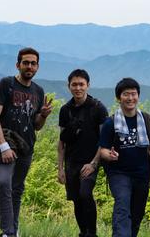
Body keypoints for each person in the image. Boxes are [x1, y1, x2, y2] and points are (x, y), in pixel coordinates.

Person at [0, 47, 53, 237]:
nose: (29, 66)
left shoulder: (38, 91)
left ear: (38, 67)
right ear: (18, 65)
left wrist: (43, 115)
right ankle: (7, 232)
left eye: (33, 63)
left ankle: (13, 231)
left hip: (27, 147)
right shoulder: (6, 84)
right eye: (26, 63)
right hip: (5, 143)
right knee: (4, 184)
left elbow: (37, 126)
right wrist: (3, 146)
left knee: (16, 189)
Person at [99, 77, 150, 237]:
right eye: (126, 94)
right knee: (122, 204)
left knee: (137, 213)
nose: (130, 98)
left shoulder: (147, 120)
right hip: (118, 173)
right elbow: (103, 150)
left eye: (133, 94)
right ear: (118, 98)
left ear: (138, 96)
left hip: (142, 174)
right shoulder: (111, 122)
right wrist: (109, 155)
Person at [57, 69, 109, 237]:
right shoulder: (66, 110)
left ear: (88, 85)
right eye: (74, 84)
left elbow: (104, 139)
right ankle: (83, 232)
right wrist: (60, 168)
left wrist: (94, 163)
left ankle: (92, 233)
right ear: (69, 86)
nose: (78, 88)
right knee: (76, 200)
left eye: (81, 84)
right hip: (72, 162)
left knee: (85, 193)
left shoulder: (98, 107)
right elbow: (62, 142)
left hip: (91, 160)